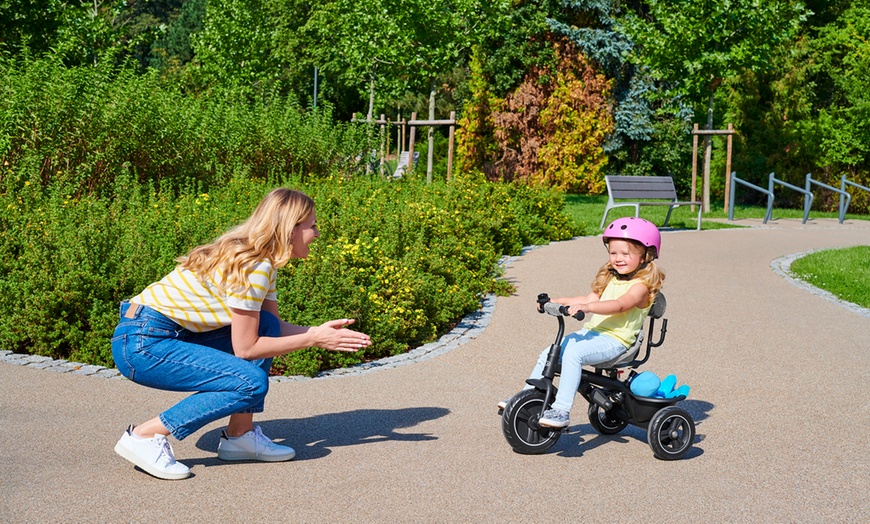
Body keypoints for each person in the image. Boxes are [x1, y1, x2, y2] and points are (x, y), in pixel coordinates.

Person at [111, 188, 371, 480]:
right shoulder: (255, 266)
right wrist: (313, 339)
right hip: (145, 344)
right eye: (312, 226)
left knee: (266, 328)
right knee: (251, 384)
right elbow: (247, 348)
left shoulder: (262, 261)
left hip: (159, 334)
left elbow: (269, 327)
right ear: (290, 228)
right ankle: (145, 436)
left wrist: (318, 332)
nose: (317, 233)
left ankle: (240, 435)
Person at [501, 216, 665, 429]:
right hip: (593, 335)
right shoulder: (612, 279)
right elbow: (587, 299)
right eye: (613, 252)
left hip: (617, 342)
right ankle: (525, 398)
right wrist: (554, 302)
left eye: (626, 253)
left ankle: (561, 410)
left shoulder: (640, 287)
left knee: (573, 353)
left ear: (645, 256)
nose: (618, 258)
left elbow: (620, 304)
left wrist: (588, 308)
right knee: (551, 352)